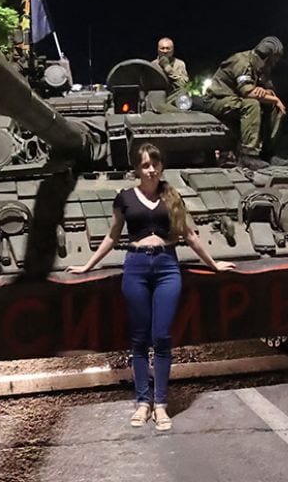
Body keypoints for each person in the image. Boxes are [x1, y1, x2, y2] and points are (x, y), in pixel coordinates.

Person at [68, 143, 235, 429]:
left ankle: (160, 404)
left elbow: (190, 236)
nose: (151, 169)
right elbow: (112, 236)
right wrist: (87, 265)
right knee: (138, 338)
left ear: (161, 167)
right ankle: (142, 402)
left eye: (155, 164)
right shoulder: (124, 198)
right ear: (137, 168)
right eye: (145, 165)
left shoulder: (171, 196)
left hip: (167, 267)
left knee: (162, 337)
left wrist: (214, 264)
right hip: (135, 267)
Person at [202, 36, 286, 169]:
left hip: (238, 99)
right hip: (218, 99)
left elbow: (268, 89)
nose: (274, 64)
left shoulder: (263, 67)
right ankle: (248, 155)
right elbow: (248, 92)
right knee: (252, 104)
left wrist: (267, 94)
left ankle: (267, 152)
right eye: (274, 60)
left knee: (273, 107)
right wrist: (274, 98)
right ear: (266, 56)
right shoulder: (242, 61)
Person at [152, 37, 189, 104]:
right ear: (158, 49)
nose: (165, 51)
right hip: (156, 98)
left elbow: (183, 84)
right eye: (162, 48)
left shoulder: (180, 64)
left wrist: (169, 70)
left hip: (174, 98)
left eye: (168, 48)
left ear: (173, 50)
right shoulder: (152, 65)